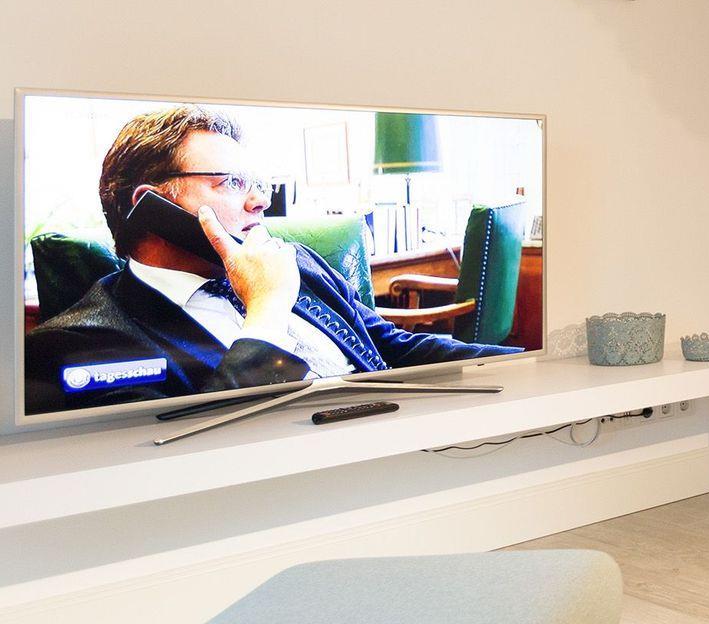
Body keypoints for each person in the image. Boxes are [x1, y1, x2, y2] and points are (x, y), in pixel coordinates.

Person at [23, 105, 517, 414]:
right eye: (231, 183)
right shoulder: (79, 343)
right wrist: (267, 311)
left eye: (257, 184)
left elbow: (391, 346)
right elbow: (195, 458)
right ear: (152, 205)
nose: (260, 202)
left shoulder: (295, 261)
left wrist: (526, 369)